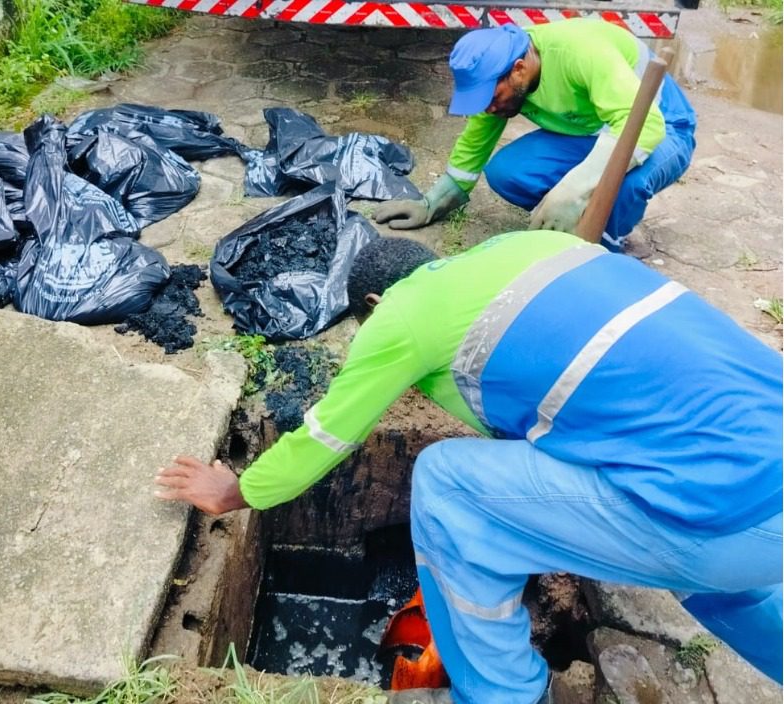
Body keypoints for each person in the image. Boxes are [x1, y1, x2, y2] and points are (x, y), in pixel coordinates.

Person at [154, 232, 782, 704]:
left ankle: (499, 691)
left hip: (725, 520)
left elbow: (326, 434)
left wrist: (237, 490)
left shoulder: (402, 317)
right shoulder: (529, 248)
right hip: (759, 491)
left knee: (446, 481)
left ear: (374, 302)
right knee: (730, 582)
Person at [372, 20, 697, 253]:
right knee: (507, 172)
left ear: (518, 69)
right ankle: (572, 216)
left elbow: (643, 126)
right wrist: (435, 202)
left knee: (625, 184)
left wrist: (573, 189)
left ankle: (605, 248)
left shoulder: (579, 52)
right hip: (596, 129)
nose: (487, 108)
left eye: (490, 96)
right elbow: (476, 141)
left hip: (660, 126)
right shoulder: (505, 75)